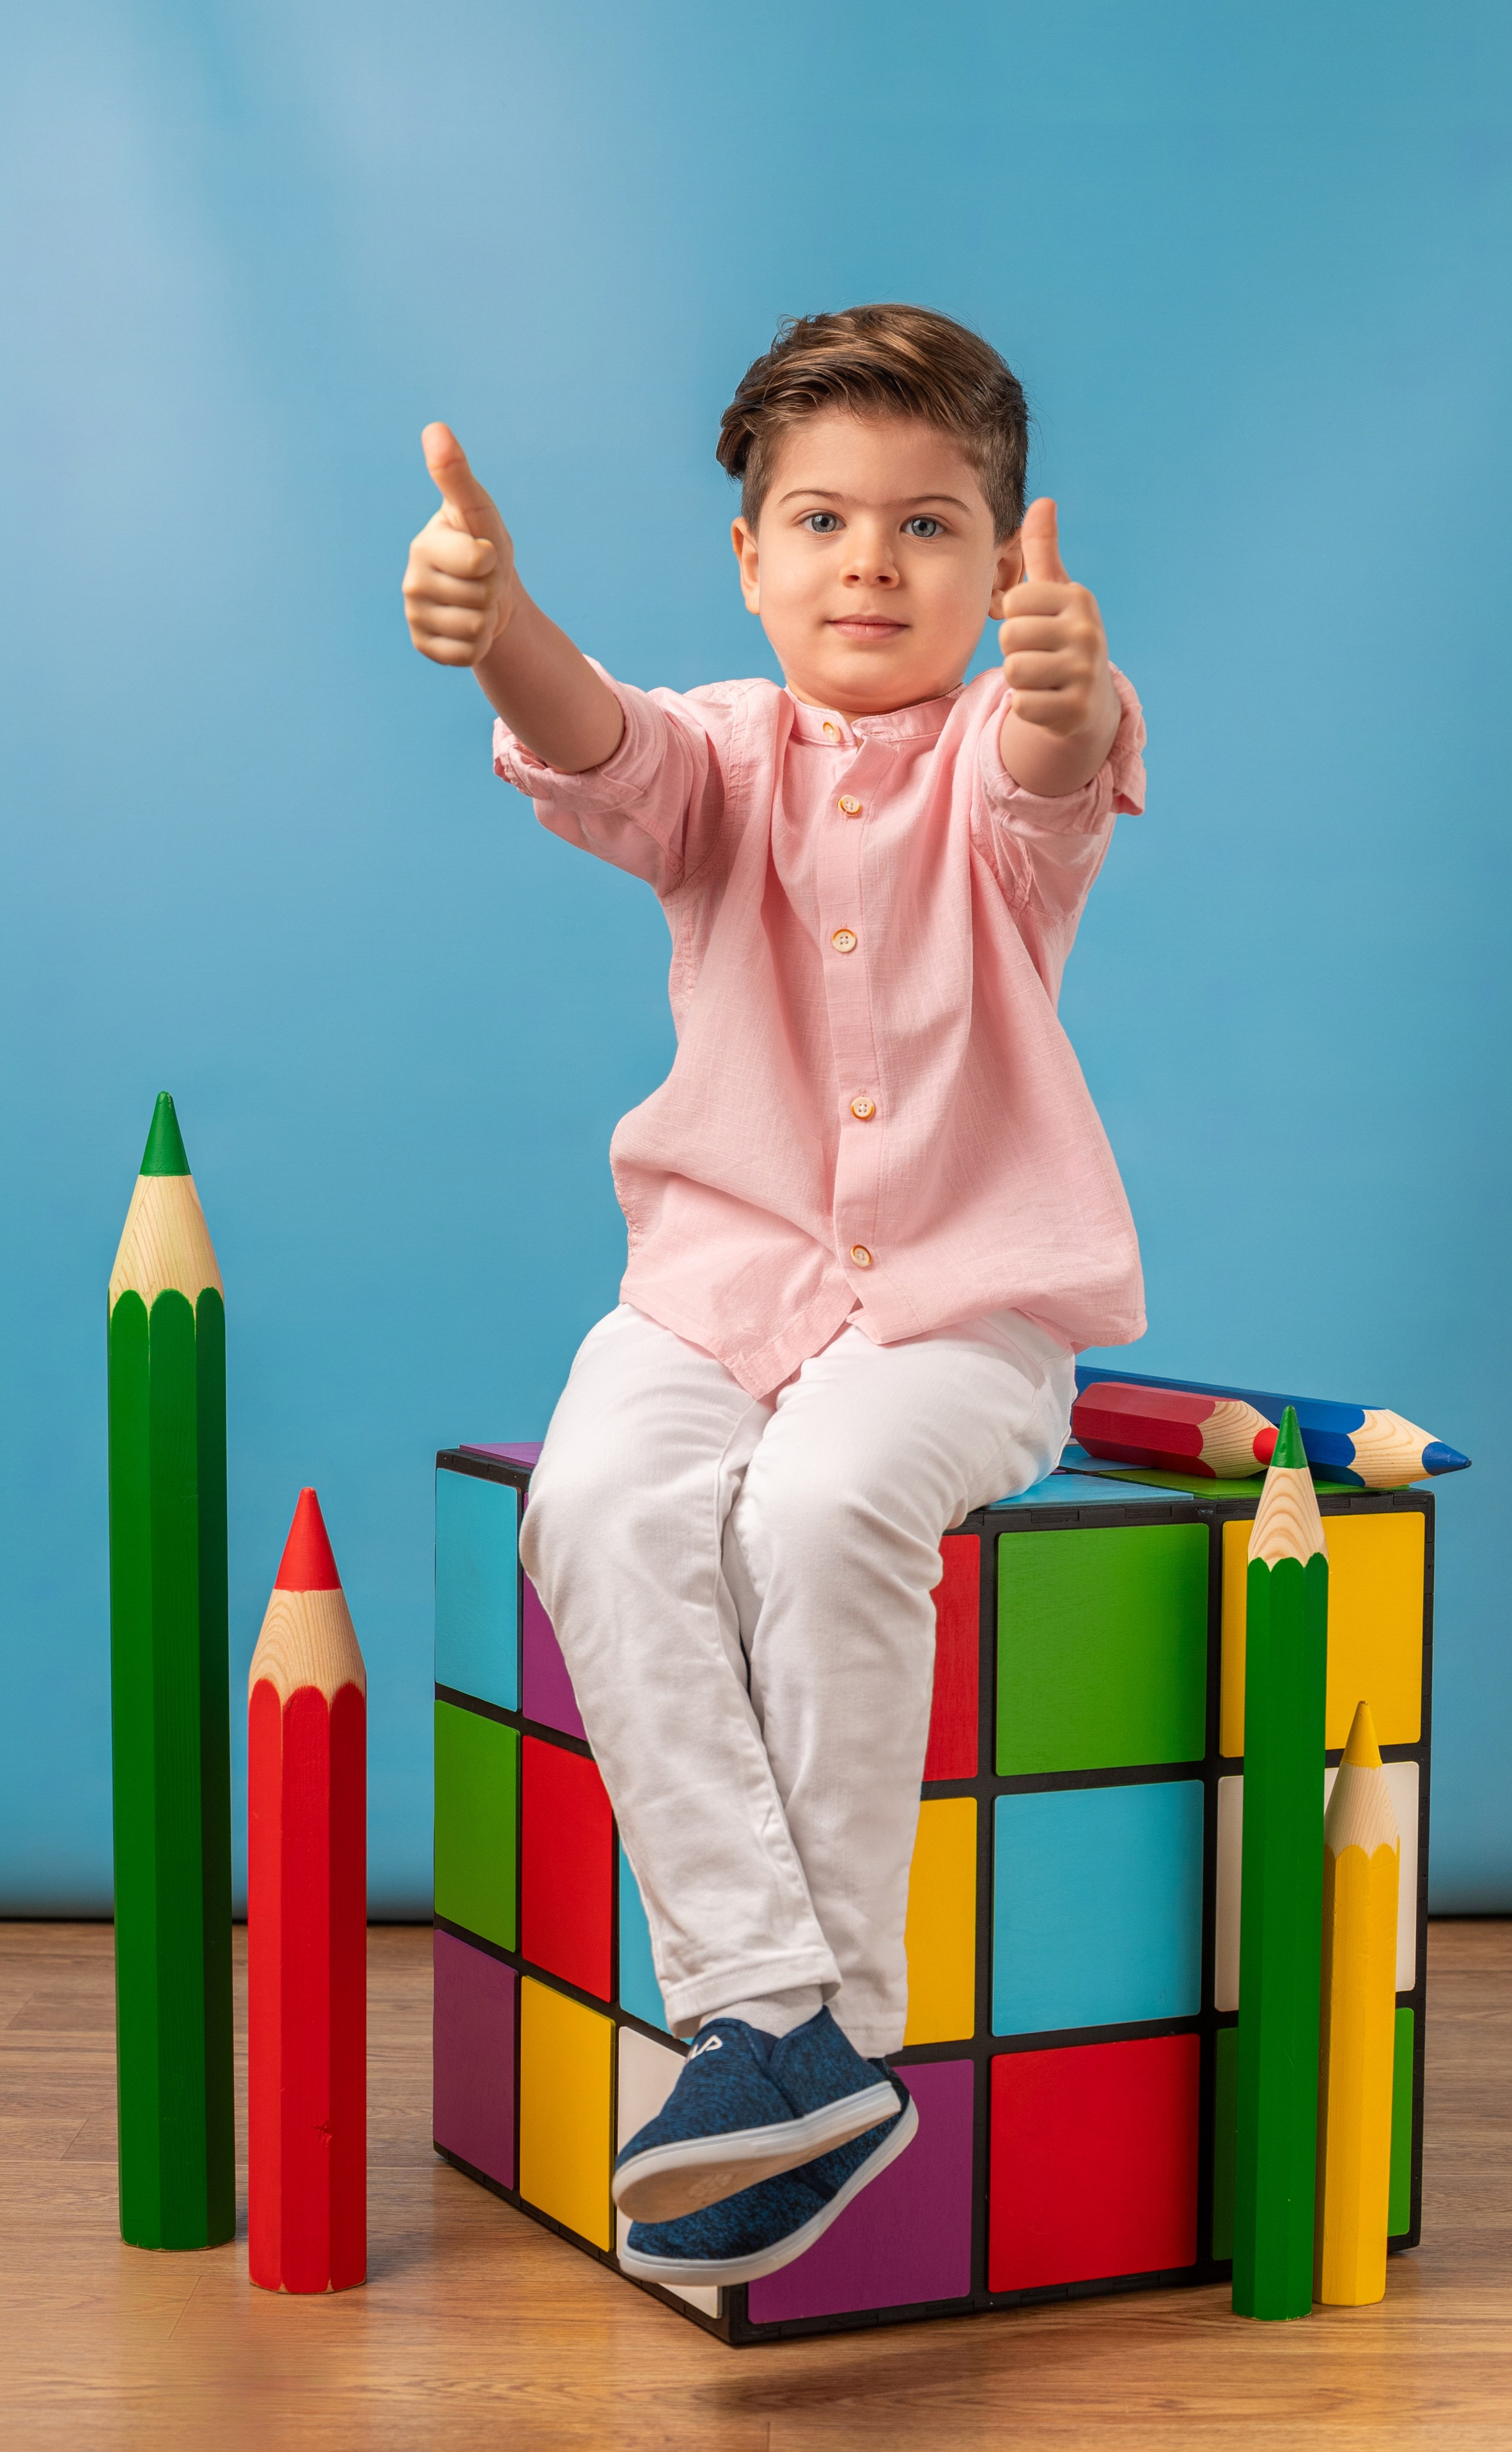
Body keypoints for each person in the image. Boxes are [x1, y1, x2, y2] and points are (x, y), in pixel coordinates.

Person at [403, 304, 1146, 2287]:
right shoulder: (722, 759)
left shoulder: (1003, 747)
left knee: (821, 1511)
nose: (871, 564)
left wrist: (1065, 688)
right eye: (821, 521)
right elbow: (595, 737)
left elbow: (1055, 765)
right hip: (710, 1282)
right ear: (751, 561)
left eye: (930, 528)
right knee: (593, 1500)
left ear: (1000, 572)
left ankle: (831, 2032)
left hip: (964, 1315)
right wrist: (503, 627)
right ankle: (770, 2020)